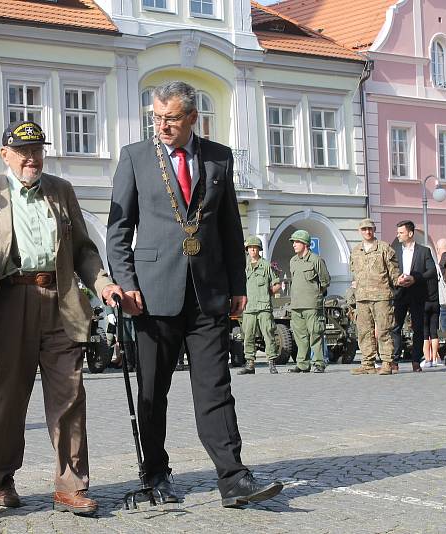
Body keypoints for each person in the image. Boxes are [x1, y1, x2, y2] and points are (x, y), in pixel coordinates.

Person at [106, 81, 283, 508]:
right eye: (156, 117)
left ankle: (234, 478)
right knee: (153, 391)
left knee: (216, 387)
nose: (162, 125)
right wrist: (127, 284)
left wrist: (238, 285)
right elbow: (118, 232)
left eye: (170, 118)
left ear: (191, 118)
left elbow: (229, 228)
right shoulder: (134, 157)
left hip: (208, 294)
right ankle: (155, 472)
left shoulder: (218, 156)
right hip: (152, 294)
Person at [0, 120, 125, 516]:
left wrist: (102, 284)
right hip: (8, 301)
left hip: (60, 299)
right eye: (23, 151)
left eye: (37, 150)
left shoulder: (61, 191)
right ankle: (1, 477)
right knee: (11, 398)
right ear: (5, 154)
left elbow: (82, 248)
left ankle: (71, 485)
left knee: (69, 395)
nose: (32, 158)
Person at [349, 218, 400, 376]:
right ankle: (367, 363)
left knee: (384, 330)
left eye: (370, 229)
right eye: (364, 229)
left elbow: (393, 271)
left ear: (374, 230)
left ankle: (386, 362)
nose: (367, 232)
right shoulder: (356, 251)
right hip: (362, 297)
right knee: (364, 331)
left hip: (382, 296)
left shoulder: (384, 248)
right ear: (360, 231)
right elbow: (354, 272)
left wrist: (398, 282)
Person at [391, 220, 435, 373]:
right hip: (400, 293)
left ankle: (416, 360)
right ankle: (394, 360)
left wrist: (415, 278)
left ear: (410, 233)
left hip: (417, 293)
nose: (398, 236)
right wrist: (396, 279)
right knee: (395, 326)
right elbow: (389, 270)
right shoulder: (394, 250)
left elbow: (431, 271)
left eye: (401, 233)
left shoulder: (424, 251)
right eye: (398, 233)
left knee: (418, 328)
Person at [287, 229, 330, 373]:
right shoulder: (293, 261)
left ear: (305, 243)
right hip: (296, 304)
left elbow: (325, 281)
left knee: (315, 334)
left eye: (297, 242)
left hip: (311, 304)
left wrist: (316, 295)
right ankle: (302, 364)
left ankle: (318, 363)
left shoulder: (315, 260)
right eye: (293, 242)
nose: (294, 244)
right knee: (300, 336)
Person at [239, 236, 280, 375]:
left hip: (263, 307)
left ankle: (272, 363)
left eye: (255, 248)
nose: (252, 250)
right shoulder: (244, 266)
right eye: (250, 248)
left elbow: (276, 285)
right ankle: (250, 364)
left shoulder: (266, 265)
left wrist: (266, 294)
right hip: (249, 307)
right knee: (248, 335)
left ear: (259, 250)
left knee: (268, 334)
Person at [421, 250, 442, 368]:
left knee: (425, 333)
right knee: (434, 331)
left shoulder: (423, 273)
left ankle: (427, 359)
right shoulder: (436, 270)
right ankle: (435, 359)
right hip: (436, 302)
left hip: (425, 303)